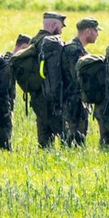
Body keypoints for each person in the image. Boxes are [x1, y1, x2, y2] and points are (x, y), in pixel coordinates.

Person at [60, 18, 101, 147]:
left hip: (77, 99)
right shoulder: (74, 50)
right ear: (88, 31)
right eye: (96, 31)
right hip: (73, 101)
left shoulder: (79, 49)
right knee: (73, 138)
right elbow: (76, 76)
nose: (97, 34)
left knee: (79, 137)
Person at [32, 12, 67, 149]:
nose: (61, 31)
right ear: (53, 25)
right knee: (64, 134)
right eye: (60, 27)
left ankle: (44, 157)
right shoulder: (52, 43)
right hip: (51, 94)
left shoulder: (34, 40)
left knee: (44, 135)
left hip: (37, 95)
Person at [0, 33, 28, 151]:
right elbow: (3, 90)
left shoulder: (5, 62)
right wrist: (6, 112)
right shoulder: (8, 65)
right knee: (3, 144)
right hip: (1, 112)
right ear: (23, 47)